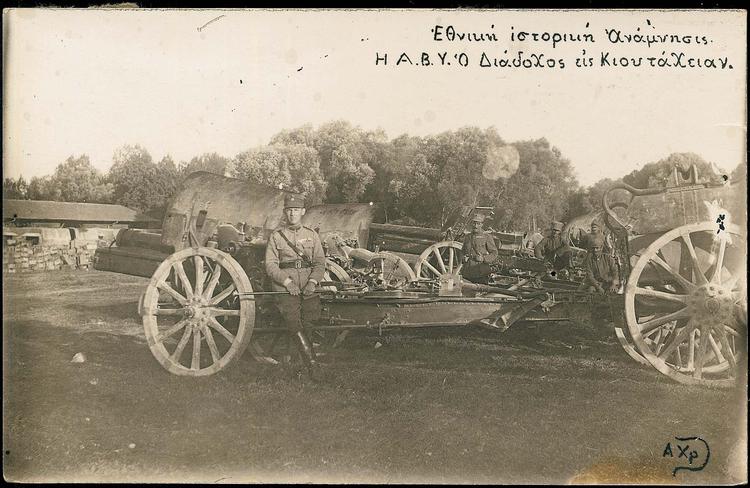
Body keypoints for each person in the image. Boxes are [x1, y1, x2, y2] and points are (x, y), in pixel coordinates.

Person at [265, 194, 326, 379]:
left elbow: (320, 262)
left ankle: (300, 365)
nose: (292, 214)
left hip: (308, 286)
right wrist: (287, 282)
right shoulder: (276, 236)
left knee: (309, 323)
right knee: (294, 323)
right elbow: (270, 265)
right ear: (285, 212)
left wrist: (312, 282)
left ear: (303, 212)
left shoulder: (311, 235)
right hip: (285, 288)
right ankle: (313, 367)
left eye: (296, 210)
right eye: (289, 210)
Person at [461, 214, 498, 283]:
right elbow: (462, 251)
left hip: (481, 272)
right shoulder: (468, 237)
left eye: (478, 223)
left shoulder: (486, 237)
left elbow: (494, 253)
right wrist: (463, 258)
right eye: (474, 223)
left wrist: (484, 258)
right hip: (467, 272)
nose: (475, 226)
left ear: (482, 224)